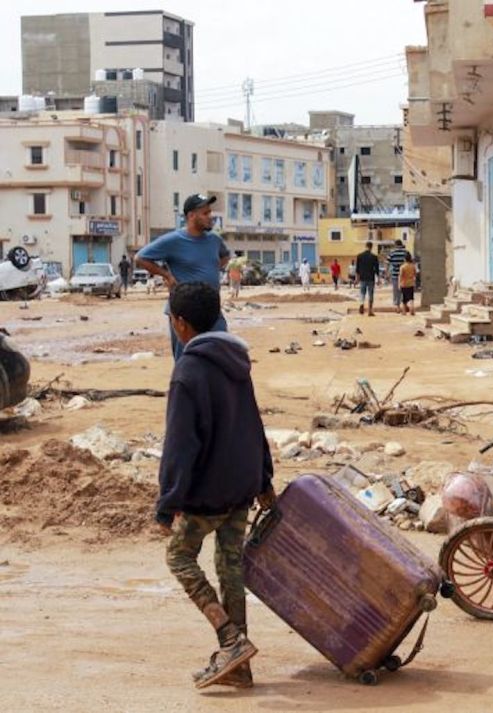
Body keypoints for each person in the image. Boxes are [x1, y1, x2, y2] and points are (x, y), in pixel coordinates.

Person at [155, 281, 275, 689]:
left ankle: (230, 639)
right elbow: (253, 421)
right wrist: (264, 477)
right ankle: (238, 665)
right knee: (230, 568)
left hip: (207, 492)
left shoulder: (187, 371)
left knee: (179, 558)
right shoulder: (235, 360)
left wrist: (167, 503)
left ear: (181, 324)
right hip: (241, 483)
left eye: (171, 319)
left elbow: (179, 446)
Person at [136, 193, 230, 361]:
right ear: (191, 216)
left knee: (222, 355)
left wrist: (211, 270)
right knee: (187, 360)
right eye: (206, 213)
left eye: (210, 212)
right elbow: (140, 258)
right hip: (185, 312)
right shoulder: (173, 240)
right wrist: (167, 276)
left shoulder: (214, 240)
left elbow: (225, 256)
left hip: (212, 309)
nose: (211, 217)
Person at [355, 241, 380, 316]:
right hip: (371, 278)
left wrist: (357, 278)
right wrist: (378, 279)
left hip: (362, 277)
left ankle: (362, 303)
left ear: (365, 246)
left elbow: (357, 269)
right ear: (371, 247)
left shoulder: (360, 256)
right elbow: (377, 269)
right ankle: (370, 310)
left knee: (362, 292)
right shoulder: (374, 257)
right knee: (370, 294)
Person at [387, 239, 408, 313]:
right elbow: (410, 261)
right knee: (404, 290)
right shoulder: (406, 252)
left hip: (395, 274)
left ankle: (397, 306)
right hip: (405, 275)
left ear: (395, 245)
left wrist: (387, 272)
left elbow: (388, 263)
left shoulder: (392, 253)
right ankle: (404, 306)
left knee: (396, 291)